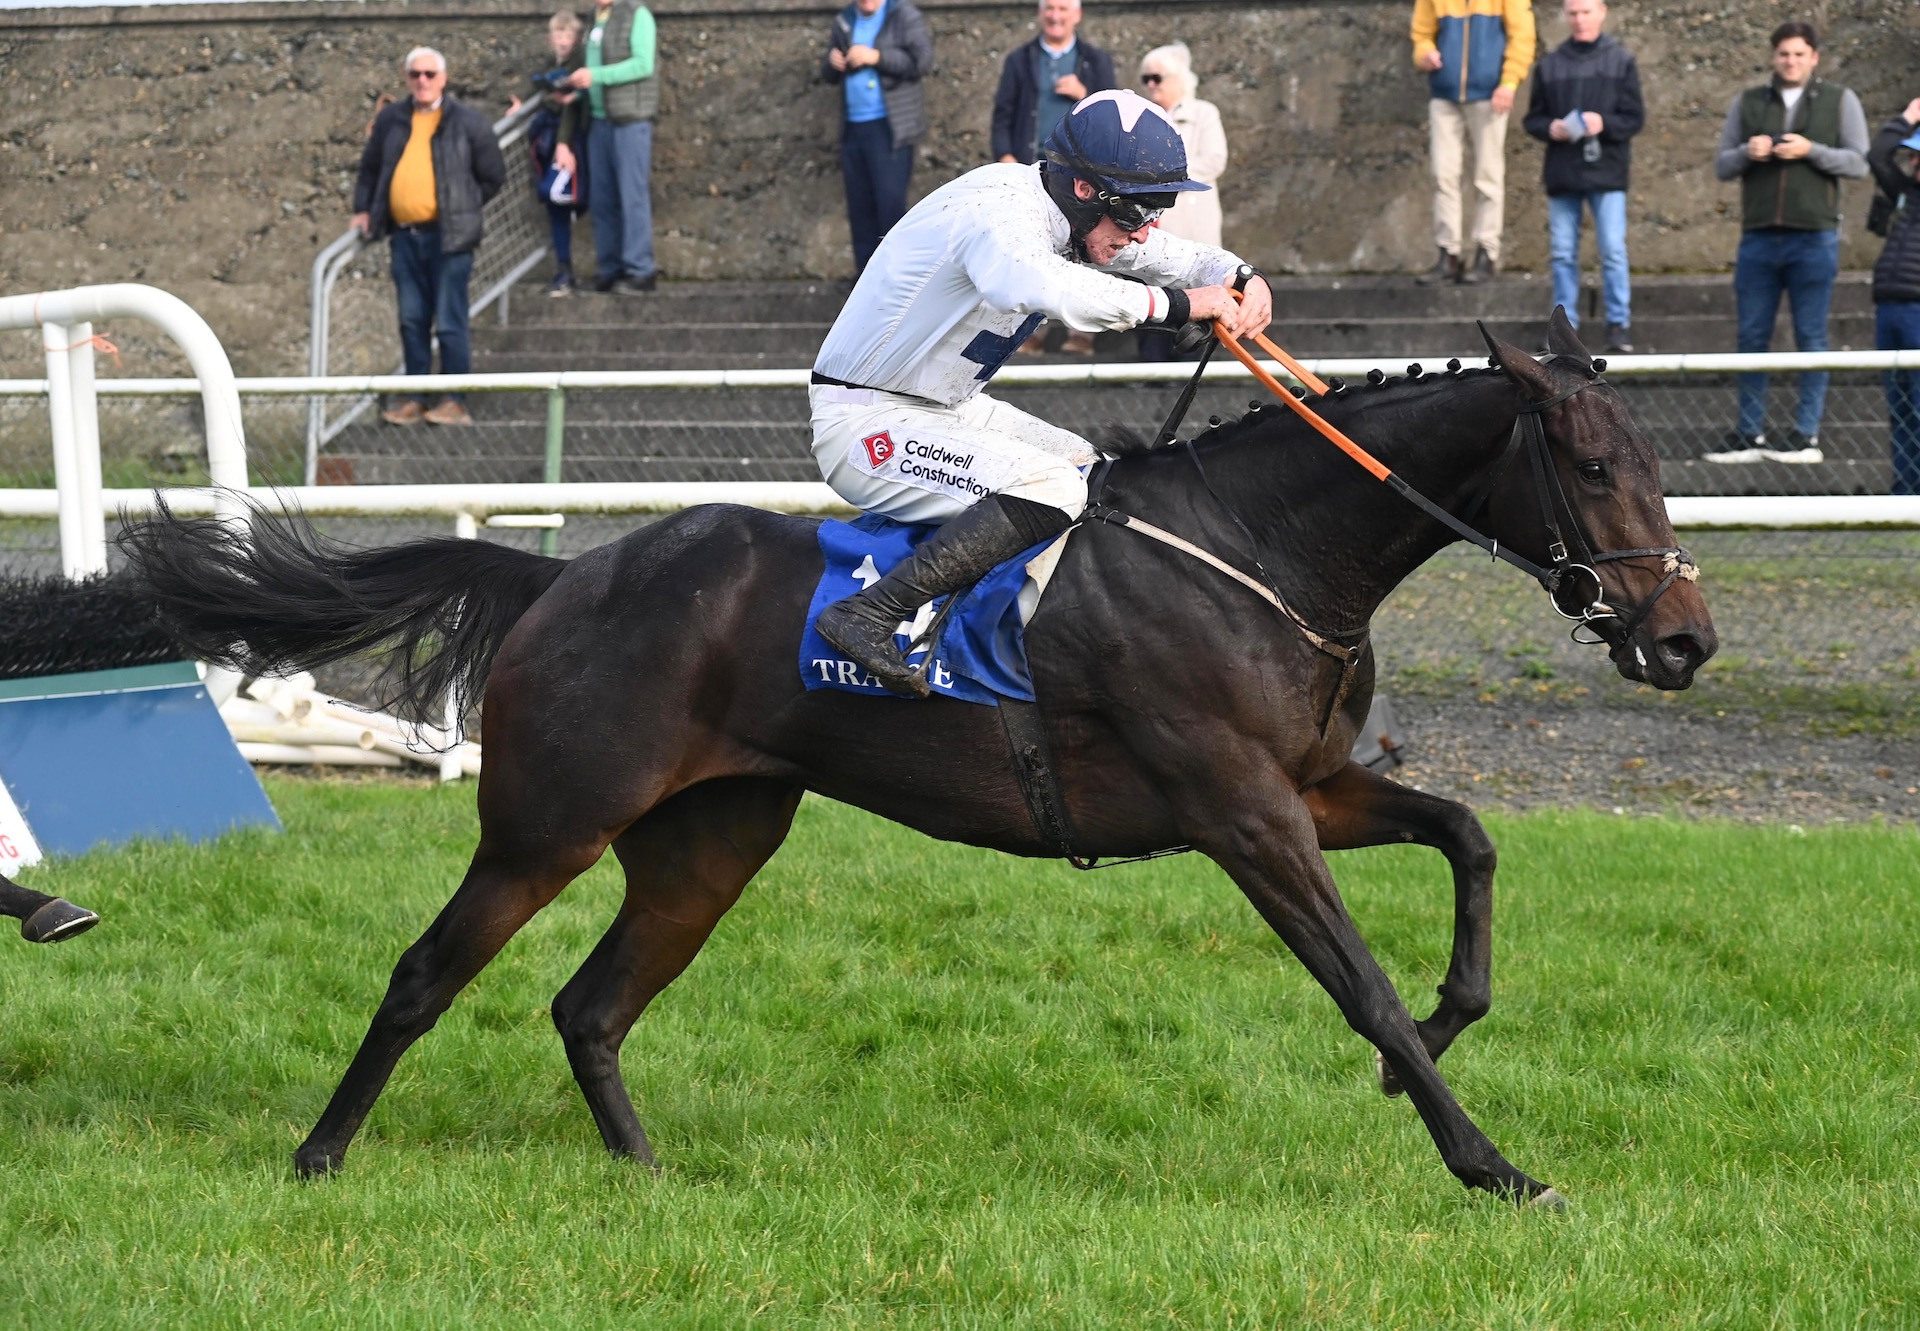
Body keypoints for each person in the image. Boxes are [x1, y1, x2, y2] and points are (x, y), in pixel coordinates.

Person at [808, 90, 1274, 697]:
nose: (1142, 234)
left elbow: (1173, 255)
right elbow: (1048, 286)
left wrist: (1241, 275)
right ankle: (868, 615)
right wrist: (1179, 306)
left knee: (1096, 475)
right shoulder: (998, 211)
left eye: (1155, 212)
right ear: (1085, 190)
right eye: (1137, 215)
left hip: (948, 408)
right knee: (1053, 488)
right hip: (864, 422)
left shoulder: (1073, 212)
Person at [1705, 20, 1868, 465]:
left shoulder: (1840, 100)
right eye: (1784, 54)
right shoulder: (1749, 101)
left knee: (1812, 336)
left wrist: (1810, 150)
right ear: (1773, 57)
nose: (1790, 61)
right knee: (1751, 336)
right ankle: (1747, 434)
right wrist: (1747, 154)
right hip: (1758, 239)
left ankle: (1805, 436)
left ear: (1813, 57)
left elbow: (1858, 162)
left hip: (1814, 238)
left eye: (1799, 54)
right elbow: (1722, 165)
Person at [353, 47, 506, 427]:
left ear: (443, 78)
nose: (422, 81)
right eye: (415, 74)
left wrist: (461, 207)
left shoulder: (467, 122)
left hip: (450, 238)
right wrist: (362, 210)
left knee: (450, 321)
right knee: (411, 319)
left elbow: (493, 176)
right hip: (404, 237)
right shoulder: (392, 119)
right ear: (407, 79)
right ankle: (416, 396)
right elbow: (370, 169)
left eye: (430, 74)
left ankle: (455, 399)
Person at [992, 0, 1118, 356]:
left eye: (1063, 8)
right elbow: (1002, 114)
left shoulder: (1096, 61)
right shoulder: (1020, 60)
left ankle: (1082, 334)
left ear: (1076, 14)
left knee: (1086, 250)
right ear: (1040, 13)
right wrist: (1004, 157)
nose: (1055, 15)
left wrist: (1084, 95)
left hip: (1084, 177)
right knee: (1032, 250)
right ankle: (1030, 332)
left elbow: (1115, 116)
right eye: (1049, 8)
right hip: (1032, 173)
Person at [1521, 0, 1643, 352]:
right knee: (1561, 253)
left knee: (1613, 251)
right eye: (1573, 12)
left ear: (1602, 12)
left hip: (1607, 171)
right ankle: (1565, 329)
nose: (1579, 19)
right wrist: (1552, 128)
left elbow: (1634, 118)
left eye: (1586, 11)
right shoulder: (1551, 64)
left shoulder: (1622, 61)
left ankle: (1618, 324)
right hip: (1563, 172)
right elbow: (1533, 120)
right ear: (1565, 16)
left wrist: (1605, 124)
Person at [1409, 0, 1536, 286]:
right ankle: (1448, 253)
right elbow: (1421, 34)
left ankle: (1486, 252)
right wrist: (1424, 53)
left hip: (1490, 94)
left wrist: (1509, 82)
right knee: (1443, 174)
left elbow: (1522, 36)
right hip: (1444, 93)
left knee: (1487, 176)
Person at [821, 0, 936, 277]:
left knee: (890, 212)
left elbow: (923, 60)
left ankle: (895, 286)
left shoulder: (904, 15)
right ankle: (864, 288)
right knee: (860, 215)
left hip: (890, 131)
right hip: (853, 130)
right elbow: (827, 76)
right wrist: (831, 63)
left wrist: (877, 57)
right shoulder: (845, 19)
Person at [1136, 42, 1228, 361]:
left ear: (1176, 79)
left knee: (1195, 289)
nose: (1149, 85)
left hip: (1192, 220)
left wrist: (1168, 176)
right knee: (1154, 290)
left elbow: (1214, 160)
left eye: (1156, 78)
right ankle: (1151, 366)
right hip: (1155, 221)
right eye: (1145, 78)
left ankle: (1190, 363)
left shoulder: (1204, 113)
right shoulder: (1145, 116)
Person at [571, 0, 659, 294]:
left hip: (629, 120)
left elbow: (643, 64)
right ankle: (609, 268)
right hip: (598, 120)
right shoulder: (593, 18)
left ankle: (640, 270)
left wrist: (598, 76)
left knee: (632, 196)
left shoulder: (638, 14)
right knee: (602, 200)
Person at [1867, 96, 1920, 496]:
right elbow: (1879, 155)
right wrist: (1906, 118)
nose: (1914, 164)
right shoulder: (1905, 193)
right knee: (1900, 408)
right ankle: (1904, 489)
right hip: (1890, 308)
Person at [527, 11, 588, 297]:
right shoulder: (553, 65)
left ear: (576, 38)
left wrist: (564, 142)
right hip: (551, 141)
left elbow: (572, 107)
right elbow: (540, 93)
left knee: (555, 193)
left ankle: (568, 268)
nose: (562, 41)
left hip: (571, 141)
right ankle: (564, 270)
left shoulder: (580, 65)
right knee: (555, 208)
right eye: (558, 34)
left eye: (568, 35)